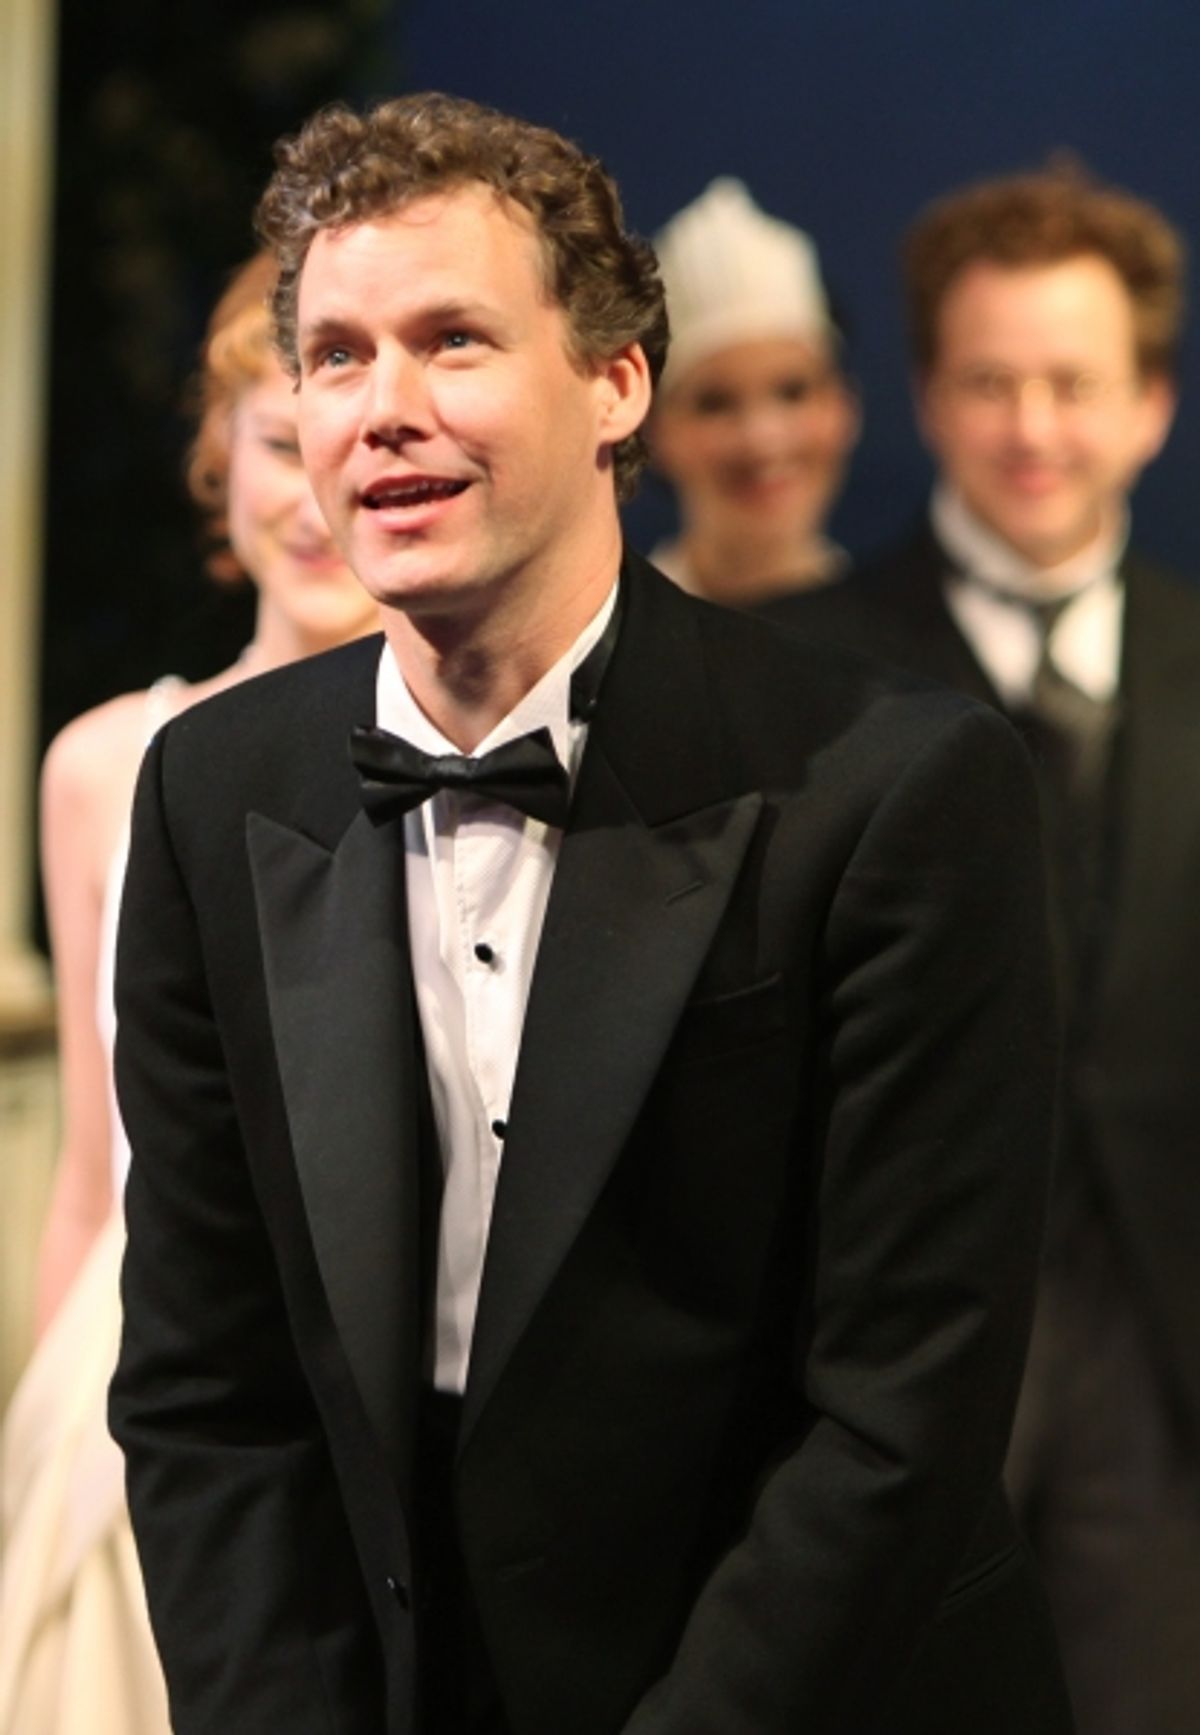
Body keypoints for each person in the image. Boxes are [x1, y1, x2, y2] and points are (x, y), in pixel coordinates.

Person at [109, 93, 1071, 1734]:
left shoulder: (898, 791)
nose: (384, 410)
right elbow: (212, 1391)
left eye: (453, 341)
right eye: (336, 356)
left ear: (618, 382)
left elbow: (897, 1419)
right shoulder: (213, 790)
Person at [766, 164, 1197, 1735]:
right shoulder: (806, 671)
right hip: (881, 1376)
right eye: (989, 380)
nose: (1033, 427)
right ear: (928, 401)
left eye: (1073, 383)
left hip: (1168, 1375)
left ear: (1149, 402)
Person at [0, 250, 378, 1735]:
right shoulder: (105, 763)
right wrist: (43, 1417)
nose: (310, 492)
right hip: (137, 1360)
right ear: (218, 461)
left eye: (340, 446)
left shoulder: (474, 762)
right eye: (276, 443)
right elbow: (96, 1175)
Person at [648, 178, 859, 605]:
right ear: (652, 431)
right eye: (715, 404)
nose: (763, 439)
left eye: (793, 392)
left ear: (843, 406)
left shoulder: (899, 650)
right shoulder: (611, 660)